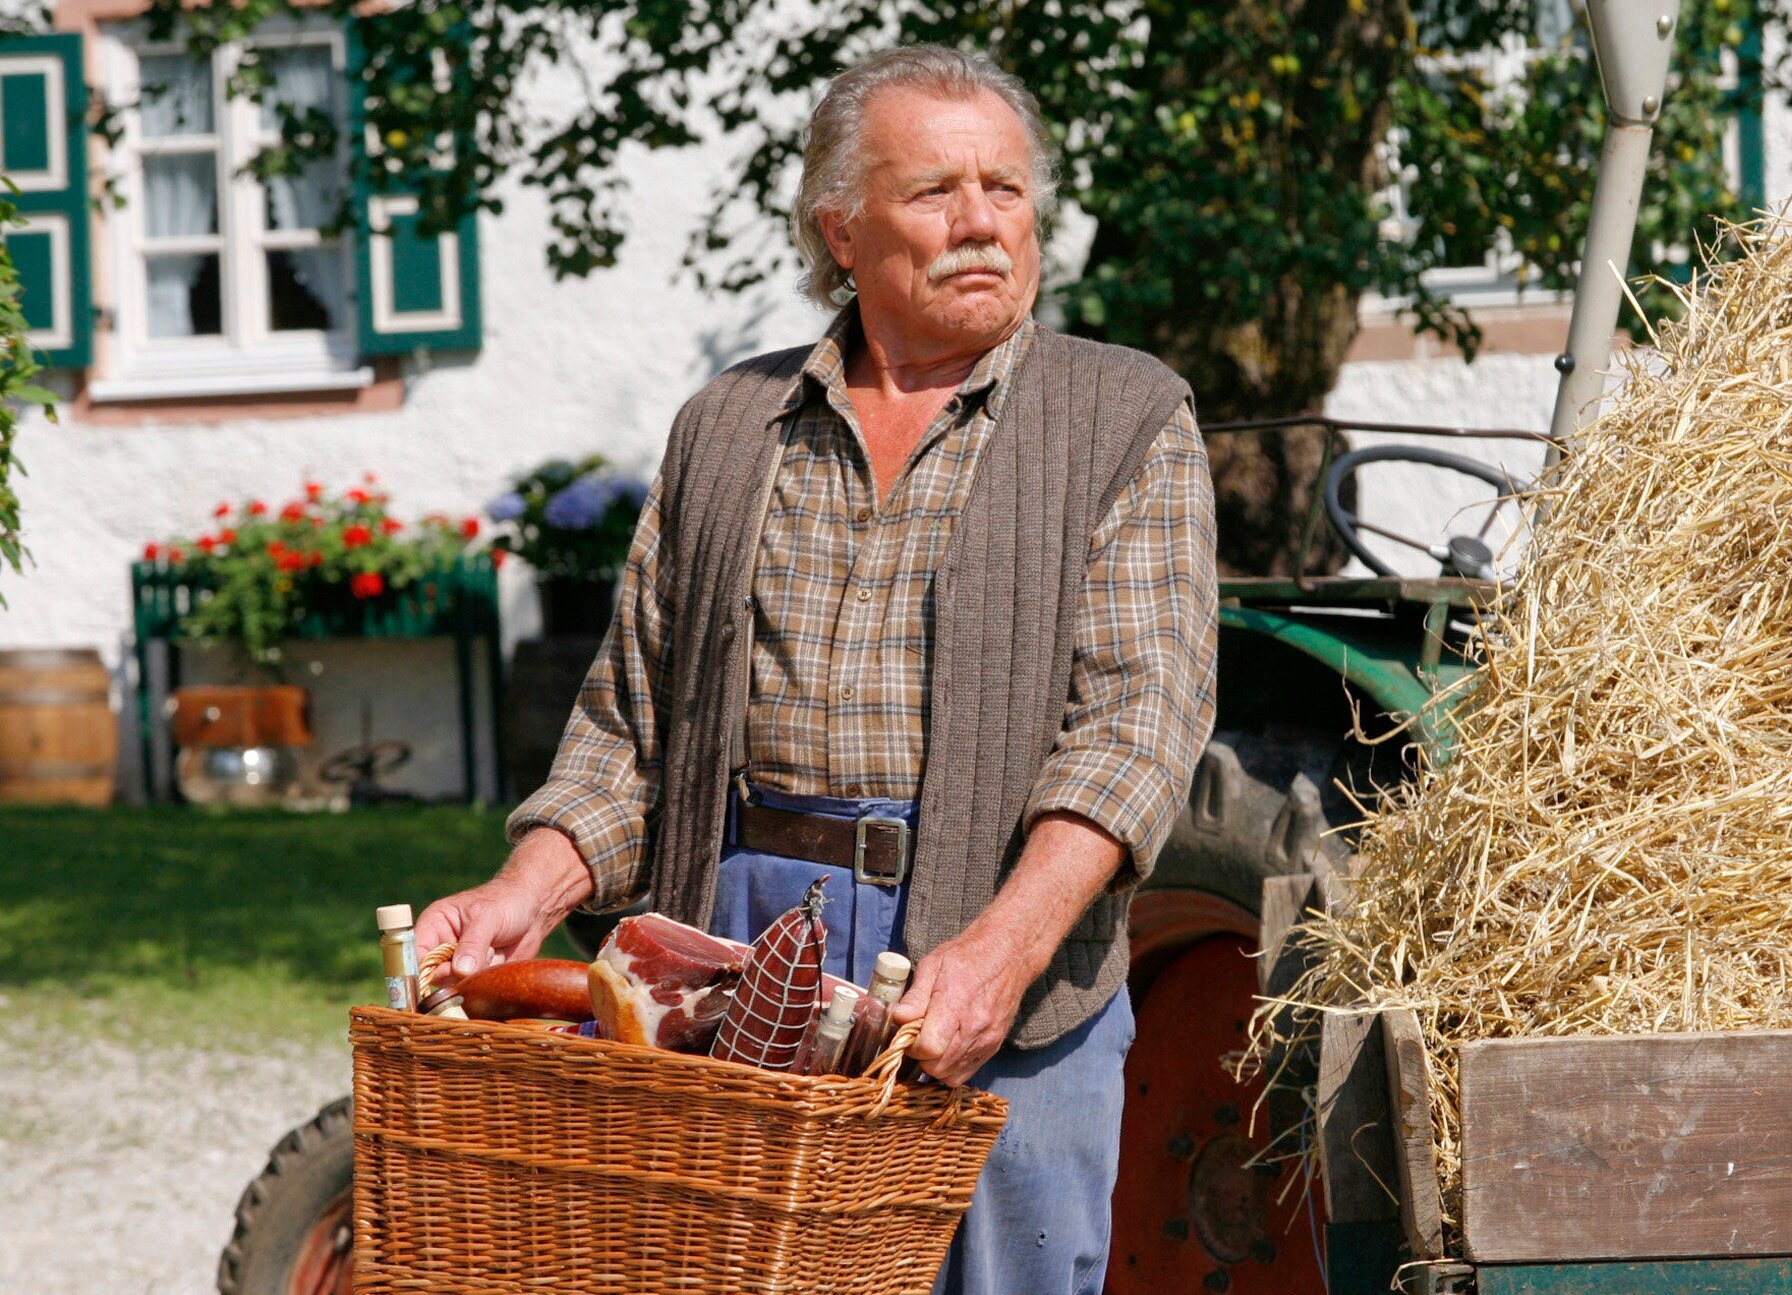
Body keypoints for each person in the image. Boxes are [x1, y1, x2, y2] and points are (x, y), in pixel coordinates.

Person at [412, 42, 1218, 1295]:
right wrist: (524, 885)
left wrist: (998, 956)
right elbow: (630, 726)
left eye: (1005, 190)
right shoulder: (728, 425)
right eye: (934, 191)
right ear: (838, 227)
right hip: (725, 938)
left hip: (986, 945)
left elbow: (1135, 727)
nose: (980, 225)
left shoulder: (1123, 415)